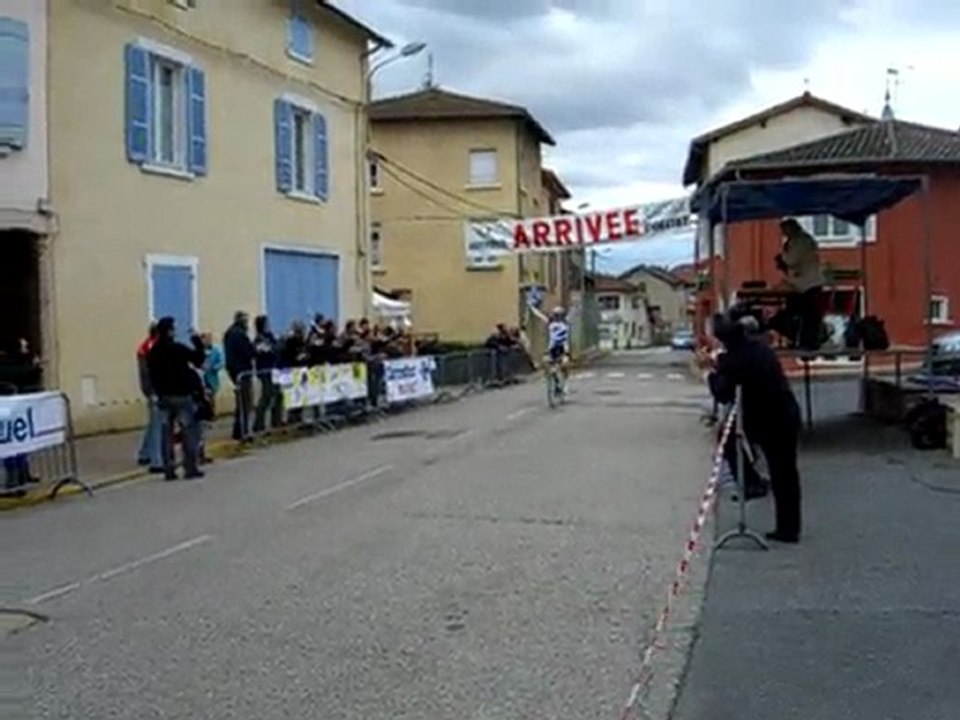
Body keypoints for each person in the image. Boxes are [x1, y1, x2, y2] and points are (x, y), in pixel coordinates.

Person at [703, 307, 803, 543]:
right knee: (785, 474)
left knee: (780, 471)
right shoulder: (757, 348)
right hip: (782, 412)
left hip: (769, 418)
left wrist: (710, 373)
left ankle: (752, 484)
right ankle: (788, 526)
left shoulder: (734, 359)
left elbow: (723, 393)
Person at [147, 317, 205, 481]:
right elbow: (198, 359)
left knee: (166, 433)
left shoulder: (153, 352)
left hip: (164, 397)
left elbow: (151, 375)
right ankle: (190, 467)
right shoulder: (177, 348)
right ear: (170, 331)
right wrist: (197, 342)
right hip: (181, 395)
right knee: (188, 431)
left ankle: (169, 469)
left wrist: (158, 392)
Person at [769, 218, 825, 350]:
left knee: (806, 316)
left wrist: (782, 257)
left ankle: (807, 342)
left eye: (784, 230)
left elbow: (791, 260)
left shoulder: (801, 241)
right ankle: (801, 340)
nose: (783, 234)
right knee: (802, 315)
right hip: (802, 284)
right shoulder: (797, 241)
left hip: (808, 284)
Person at [223, 311, 255, 441]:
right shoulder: (239, 334)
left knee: (242, 402)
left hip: (235, 370)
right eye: (246, 321)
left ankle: (240, 430)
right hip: (241, 370)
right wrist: (254, 350)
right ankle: (242, 431)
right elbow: (248, 351)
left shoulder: (230, 333)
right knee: (245, 402)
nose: (248, 324)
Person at [136, 323, 164, 472]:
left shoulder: (146, 346)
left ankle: (144, 453)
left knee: (154, 424)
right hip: (156, 391)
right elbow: (150, 373)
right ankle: (156, 461)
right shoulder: (153, 347)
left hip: (152, 390)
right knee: (157, 426)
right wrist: (152, 392)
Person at [253, 315, 282, 433]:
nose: (268, 325)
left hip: (274, 370)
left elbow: (276, 348)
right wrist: (273, 348)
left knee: (278, 395)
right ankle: (258, 424)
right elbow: (267, 351)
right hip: (265, 371)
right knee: (266, 396)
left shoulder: (270, 336)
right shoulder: (258, 339)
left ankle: (276, 421)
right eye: (266, 323)